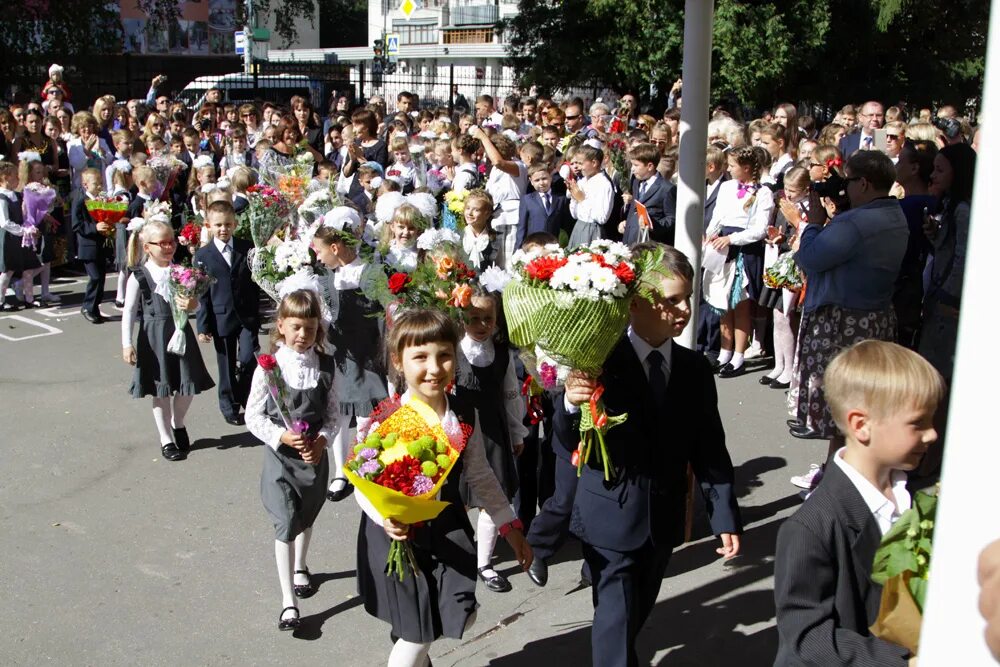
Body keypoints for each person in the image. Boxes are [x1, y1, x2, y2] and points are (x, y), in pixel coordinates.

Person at [557, 243, 742, 667]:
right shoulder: (598, 360)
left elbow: (709, 445)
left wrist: (724, 514)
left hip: (662, 518)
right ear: (636, 302)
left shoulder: (694, 369)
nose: (683, 310)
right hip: (611, 518)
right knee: (616, 620)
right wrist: (571, 401)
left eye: (687, 299)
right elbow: (568, 440)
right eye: (671, 300)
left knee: (632, 614)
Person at [355, 308, 532, 667]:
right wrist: (386, 516)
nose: (434, 368)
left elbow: (480, 473)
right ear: (398, 362)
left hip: (446, 530)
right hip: (398, 539)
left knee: (456, 611)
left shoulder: (463, 413)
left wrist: (508, 525)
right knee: (416, 634)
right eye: (420, 357)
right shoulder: (390, 417)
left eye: (444, 355)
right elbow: (363, 485)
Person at [774, 340, 941, 667]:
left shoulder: (919, 496)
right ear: (861, 425)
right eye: (918, 423)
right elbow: (808, 635)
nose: (932, 434)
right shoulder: (812, 527)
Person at [786, 150, 909, 488]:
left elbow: (809, 258)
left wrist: (810, 223)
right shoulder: (894, 213)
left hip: (842, 325)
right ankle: (835, 471)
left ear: (864, 183)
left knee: (843, 406)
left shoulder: (856, 223)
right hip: (875, 319)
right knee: (861, 405)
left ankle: (837, 482)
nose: (843, 186)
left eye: (849, 179)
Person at [245, 287, 337, 630]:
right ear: (281, 326)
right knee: (285, 522)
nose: (303, 335)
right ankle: (289, 601)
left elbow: (334, 415)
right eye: (296, 327)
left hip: (313, 456)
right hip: (281, 458)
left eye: (310, 329)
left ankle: (301, 565)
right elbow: (253, 417)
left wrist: (323, 441)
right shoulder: (269, 368)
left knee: (307, 515)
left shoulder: (326, 367)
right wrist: (280, 436)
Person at [310, 209, 389, 502]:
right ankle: (341, 471)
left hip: (367, 353)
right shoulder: (326, 277)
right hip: (340, 354)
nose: (317, 258)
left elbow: (385, 314)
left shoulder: (370, 272)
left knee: (367, 412)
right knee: (340, 413)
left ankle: (366, 463)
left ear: (335, 247)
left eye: (320, 251)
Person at [121, 217, 214, 462]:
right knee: (160, 389)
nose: (168, 247)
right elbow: (129, 311)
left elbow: (196, 302)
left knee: (187, 384)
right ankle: (166, 439)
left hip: (180, 332)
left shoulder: (182, 272)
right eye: (161, 243)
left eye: (171, 242)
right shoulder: (139, 276)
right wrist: (126, 343)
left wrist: (194, 303)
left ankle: (178, 421)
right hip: (154, 337)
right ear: (147, 246)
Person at [456, 289, 528, 593]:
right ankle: (457, 553)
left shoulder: (501, 354)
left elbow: (511, 394)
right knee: (456, 498)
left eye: (488, 318)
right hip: (459, 432)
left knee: (494, 497)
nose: (482, 324)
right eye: (474, 318)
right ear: (462, 318)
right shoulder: (454, 350)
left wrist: (516, 431)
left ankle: (484, 563)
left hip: (494, 431)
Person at [915, 143, 976, 481]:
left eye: (940, 170)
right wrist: (936, 237)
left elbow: (965, 260)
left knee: (938, 384)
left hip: (948, 308)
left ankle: (932, 461)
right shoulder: (951, 207)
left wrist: (949, 301)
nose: (933, 175)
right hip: (939, 299)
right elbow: (948, 252)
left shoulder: (965, 210)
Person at [703, 146, 775, 378]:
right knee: (721, 300)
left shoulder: (762, 193)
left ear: (746, 168)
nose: (729, 169)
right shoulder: (726, 187)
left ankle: (739, 355)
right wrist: (711, 233)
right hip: (721, 247)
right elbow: (718, 215)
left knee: (740, 303)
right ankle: (724, 351)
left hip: (743, 249)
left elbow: (759, 229)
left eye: (732, 165)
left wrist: (732, 238)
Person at [194, 201, 261, 426]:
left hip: (246, 316)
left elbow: (256, 282)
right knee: (226, 364)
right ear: (209, 225)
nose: (224, 229)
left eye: (228, 224)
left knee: (248, 358)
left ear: (235, 224)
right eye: (218, 225)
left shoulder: (247, 247)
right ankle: (228, 405)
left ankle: (245, 396)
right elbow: (202, 295)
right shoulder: (203, 255)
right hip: (220, 317)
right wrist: (202, 326)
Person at [758, 166, 810, 389]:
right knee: (776, 315)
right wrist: (775, 237)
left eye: (793, 190)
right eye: (786, 189)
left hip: (796, 268)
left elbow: (805, 234)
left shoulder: (808, 208)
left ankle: (791, 368)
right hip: (779, 262)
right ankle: (779, 365)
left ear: (805, 189)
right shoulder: (782, 204)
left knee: (786, 317)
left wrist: (790, 237)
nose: (788, 194)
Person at [892, 141, 937, 350]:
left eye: (900, 161)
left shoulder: (909, 207)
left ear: (914, 168)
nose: (896, 166)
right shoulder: (929, 203)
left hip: (907, 291)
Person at [474, 127, 527, 268]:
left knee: (509, 264)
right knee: (497, 264)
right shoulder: (494, 172)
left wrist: (483, 137)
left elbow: (499, 162)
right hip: (497, 220)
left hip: (512, 220)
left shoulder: (518, 166)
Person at [72, 168, 111, 323]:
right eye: (96, 184)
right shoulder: (80, 200)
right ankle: (87, 306)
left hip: (100, 245)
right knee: (94, 277)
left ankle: (95, 308)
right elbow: (77, 225)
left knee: (101, 279)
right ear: (85, 184)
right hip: (88, 247)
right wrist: (94, 227)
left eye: (101, 183)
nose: (100, 187)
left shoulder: (101, 200)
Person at [621, 142, 676, 245]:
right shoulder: (636, 181)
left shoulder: (667, 189)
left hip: (650, 244)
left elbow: (671, 220)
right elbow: (634, 208)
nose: (632, 169)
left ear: (650, 166)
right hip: (631, 241)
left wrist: (653, 225)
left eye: (636, 165)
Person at [567, 144, 614, 247]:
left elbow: (602, 217)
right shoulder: (582, 181)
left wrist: (582, 200)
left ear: (594, 163)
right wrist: (574, 196)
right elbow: (574, 214)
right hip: (579, 226)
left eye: (581, 163)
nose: (578, 167)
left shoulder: (603, 184)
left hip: (592, 231)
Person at [515, 162, 570, 249]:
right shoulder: (527, 200)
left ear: (550, 178)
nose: (541, 183)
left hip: (553, 244)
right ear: (531, 181)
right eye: (537, 180)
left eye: (544, 178)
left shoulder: (561, 199)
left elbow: (566, 226)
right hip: (533, 244)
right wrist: (518, 250)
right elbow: (522, 227)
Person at [462, 190, 501, 272]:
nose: (469, 213)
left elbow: (500, 266)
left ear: (487, 214)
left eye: (476, 210)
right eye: (467, 208)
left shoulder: (496, 238)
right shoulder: (458, 236)